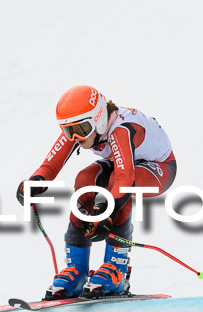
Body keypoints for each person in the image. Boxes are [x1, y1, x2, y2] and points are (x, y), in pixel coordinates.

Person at [16, 85, 177, 299]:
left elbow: (124, 181)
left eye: (81, 129)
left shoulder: (120, 129)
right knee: (84, 180)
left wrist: (105, 215)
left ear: (99, 120)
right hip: (124, 164)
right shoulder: (85, 128)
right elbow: (51, 164)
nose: (75, 136)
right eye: (68, 130)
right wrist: (35, 182)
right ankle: (77, 270)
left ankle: (116, 271)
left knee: (117, 186)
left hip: (159, 167)